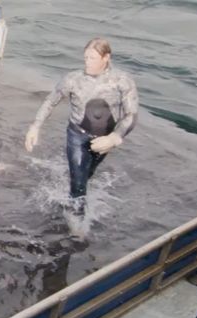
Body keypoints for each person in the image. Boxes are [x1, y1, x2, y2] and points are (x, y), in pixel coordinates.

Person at [25, 37, 139, 216]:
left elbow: (131, 114)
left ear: (106, 57)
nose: (87, 62)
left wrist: (114, 138)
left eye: (92, 58)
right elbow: (50, 101)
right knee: (79, 187)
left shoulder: (122, 81)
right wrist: (35, 127)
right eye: (85, 58)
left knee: (86, 175)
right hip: (78, 135)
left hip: (105, 139)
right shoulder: (73, 79)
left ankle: (70, 196)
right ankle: (77, 229)